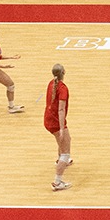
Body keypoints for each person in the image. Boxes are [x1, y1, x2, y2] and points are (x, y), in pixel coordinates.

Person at [45, 63, 73, 191]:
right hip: (56, 121)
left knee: (62, 141)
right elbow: (61, 109)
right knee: (66, 152)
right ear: (64, 72)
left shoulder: (51, 83)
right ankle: (57, 182)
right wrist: (62, 128)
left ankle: (59, 160)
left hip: (48, 119)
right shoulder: (62, 88)